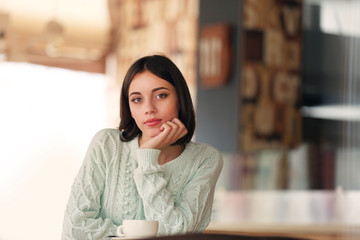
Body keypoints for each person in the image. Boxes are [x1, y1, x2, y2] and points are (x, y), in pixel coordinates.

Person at [62, 54, 223, 240]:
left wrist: (147, 158)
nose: (149, 108)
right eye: (137, 99)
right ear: (128, 107)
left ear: (180, 98)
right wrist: (128, 234)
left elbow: (178, 234)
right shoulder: (106, 144)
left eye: (160, 95)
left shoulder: (205, 159)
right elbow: (74, 230)